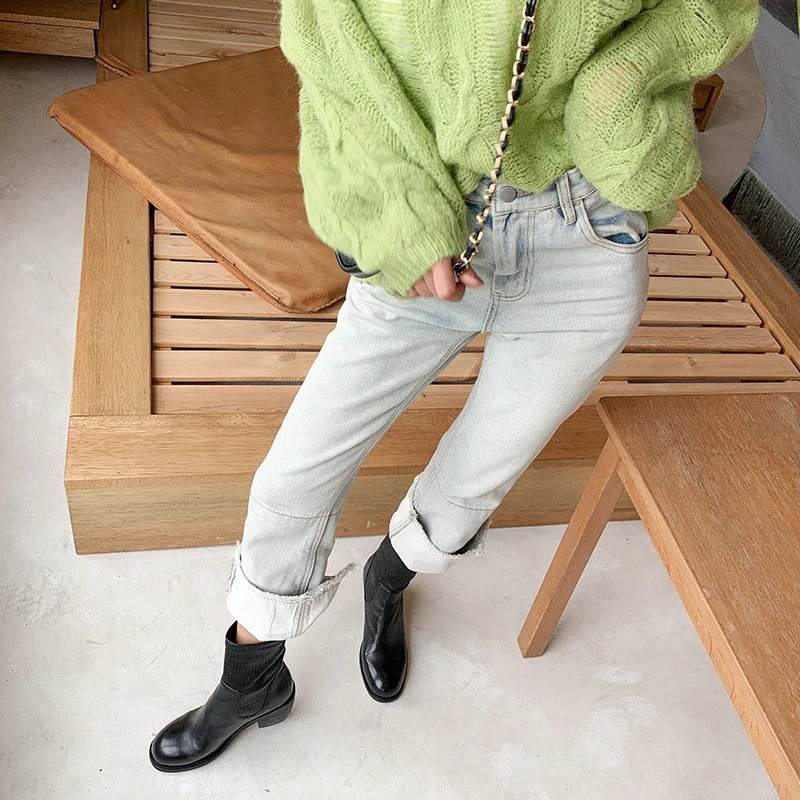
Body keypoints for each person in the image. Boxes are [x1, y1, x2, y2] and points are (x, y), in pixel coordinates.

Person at [148, 0, 759, 773]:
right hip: (433, 221)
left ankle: (389, 579)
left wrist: (616, 88)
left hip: (590, 237)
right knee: (294, 477)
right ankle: (251, 678)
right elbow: (332, 44)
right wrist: (400, 220)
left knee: (474, 480)